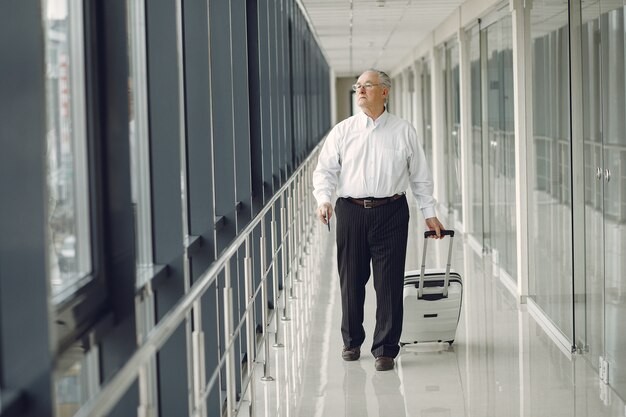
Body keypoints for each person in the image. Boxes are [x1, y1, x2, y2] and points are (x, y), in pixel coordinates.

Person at [312, 69, 444, 371]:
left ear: (385, 92)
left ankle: (385, 348)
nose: (359, 90)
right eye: (358, 86)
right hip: (351, 211)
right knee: (351, 281)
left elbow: (420, 177)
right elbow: (325, 170)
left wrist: (429, 214)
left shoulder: (403, 131)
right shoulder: (343, 131)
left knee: (389, 282)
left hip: (392, 212)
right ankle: (351, 341)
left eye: (366, 86)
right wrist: (324, 200)